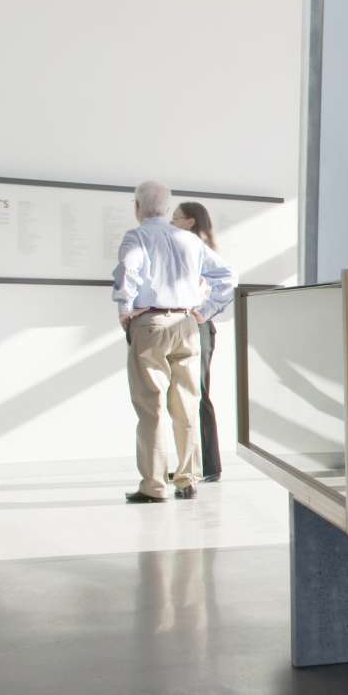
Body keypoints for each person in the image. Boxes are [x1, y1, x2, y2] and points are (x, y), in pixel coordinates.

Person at [111, 181, 236, 503]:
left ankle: (153, 486)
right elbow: (226, 276)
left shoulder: (136, 236)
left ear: (138, 207)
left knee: (150, 407)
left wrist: (125, 309)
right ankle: (187, 479)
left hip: (150, 324)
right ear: (167, 209)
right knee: (187, 403)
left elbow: (129, 270)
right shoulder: (189, 240)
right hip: (186, 324)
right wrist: (205, 312)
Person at [171, 200, 228, 482]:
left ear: (190, 221)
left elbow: (226, 282)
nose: (171, 224)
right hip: (187, 327)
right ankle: (192, 465)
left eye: (176, 218)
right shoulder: (182, 249)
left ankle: (210, 466)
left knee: (199, 394)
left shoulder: (198, 251)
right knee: (185, 397)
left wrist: (203, 313)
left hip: (199, 328)